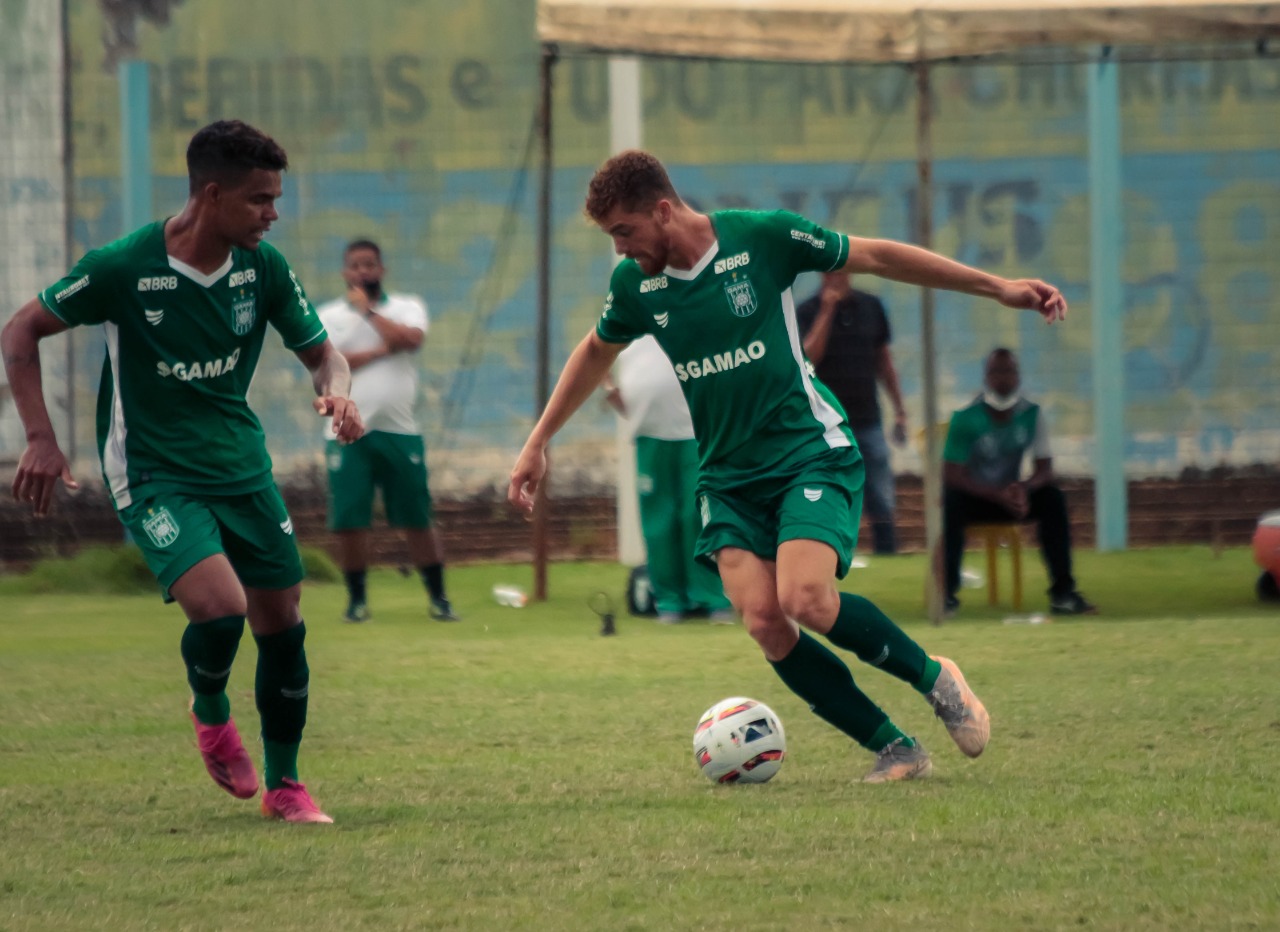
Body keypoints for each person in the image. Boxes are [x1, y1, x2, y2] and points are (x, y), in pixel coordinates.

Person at [509, 150, 1067, 782]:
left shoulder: (761, 237)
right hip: (726, 477)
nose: (620, 250)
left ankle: (936, 679)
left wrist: (999, 287)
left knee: (805, 597)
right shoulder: (636, 286)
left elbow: (879, 255)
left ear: (662, 211)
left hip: (807, 451)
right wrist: (538, 441)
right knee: (764, 620)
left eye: (624, 232)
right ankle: (896, 748)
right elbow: (593, 351)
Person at [1, 119, 361, 823]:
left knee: (283, 621)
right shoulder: (123, 266)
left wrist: (339, 387)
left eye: (277, 198)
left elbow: (322, 352)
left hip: (240, 463)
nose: (273, 213)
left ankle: (286, 787)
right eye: (261, 199)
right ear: (211, 193)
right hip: (154, 470)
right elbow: (20, 331)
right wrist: (39, 437)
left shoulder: (265, 269)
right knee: (221, 608)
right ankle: (210, 708)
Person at [316, 239, 458, 624]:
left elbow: (410, 339)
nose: (362, 272)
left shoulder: (406, 306)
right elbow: (330, 362)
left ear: (382, 269)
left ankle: (439, 598)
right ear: (345, 273)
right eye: (355, 266)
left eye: (369, 264)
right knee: (350, 520)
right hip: (345, 434)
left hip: (400, 431)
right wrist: (383, 349)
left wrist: (371, 312)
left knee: (416, 516)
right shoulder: (328, 315)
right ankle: (357, 600)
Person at [942, 348, 1097, 616]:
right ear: (986, 378)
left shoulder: (1031, 415)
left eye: (1009, 371)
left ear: (1018, 377)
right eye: (996, 372)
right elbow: (951, 474)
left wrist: (1024, 489)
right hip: (978, 499)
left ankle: (1063, 593)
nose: (1003, 378)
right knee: (950, 501)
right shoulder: (966, 418)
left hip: (1012, 498)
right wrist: (996, 494)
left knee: (1052, 498)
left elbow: (1045, 468)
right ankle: (946, 595)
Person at [601, 334, 734, 624]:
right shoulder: (629, 319)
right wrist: (610, 389)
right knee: (659, 520)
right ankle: (669, 600)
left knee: (698, 514)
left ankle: (712, 597)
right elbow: (596, 353)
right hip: (649, 434)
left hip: (697, 432)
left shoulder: (693, 307)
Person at [797, 271, 907, 555]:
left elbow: (884, 360)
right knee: (830, 490)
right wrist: (827, 309)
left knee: (880, 491)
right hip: (825, 424)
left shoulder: (871, 307)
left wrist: (900, 409)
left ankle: (886, 549)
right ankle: (833, 552)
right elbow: (808, 357)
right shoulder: (807, 311)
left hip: (868, 417)